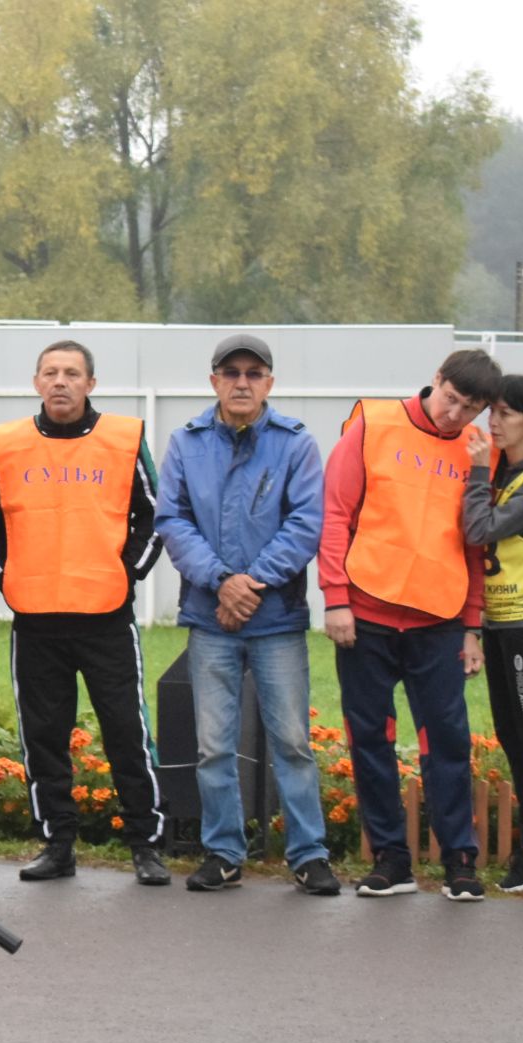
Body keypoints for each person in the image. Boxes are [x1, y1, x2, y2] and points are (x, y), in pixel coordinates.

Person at [154, 335, 336, 894]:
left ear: (269, 384)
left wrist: (251, 585)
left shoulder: (295, 445)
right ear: (213, 381)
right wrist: (220, 582)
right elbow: (172, 521)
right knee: (213, 746)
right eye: (230, 372)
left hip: (275, 618)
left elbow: (306, 523)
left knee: (293, 743)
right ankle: (224, 853)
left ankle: (308, 856)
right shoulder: (186, 443)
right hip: (211, 618)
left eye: (253, 373)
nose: (241, 382)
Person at [321, 348, 502, 900]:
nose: (455, 415)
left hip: (441, 621)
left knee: (445, 742)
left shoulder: (482, 454)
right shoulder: (372, 424)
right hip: (366, 615)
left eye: (470, 409)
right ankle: (392, 861)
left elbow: (478, 545)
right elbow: (335, 513)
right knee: (370, 739)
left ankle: (460, 862)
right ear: (436, 379)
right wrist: (335, 598)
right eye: (451, 399)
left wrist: (472, 626)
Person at [0, 339, 168, 885]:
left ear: (92, 383)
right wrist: (5, 576)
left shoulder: (123, 439)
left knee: (125, 731)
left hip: (106, 616)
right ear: (36, 382)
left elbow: (155, 517)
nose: (60, 381)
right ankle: (58, 844)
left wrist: (126, 573)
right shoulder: (8, 443)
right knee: (43, 735)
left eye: (72, 373)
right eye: (50, 372)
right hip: (36, 618)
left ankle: (145, 842)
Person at [463, 373, 523, 892]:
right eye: (492, 411)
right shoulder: (505, 471)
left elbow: (480, 529)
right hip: (499, 624)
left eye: (506, 412)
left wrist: (478, 470)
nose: (494, 421)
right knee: (510, 736)